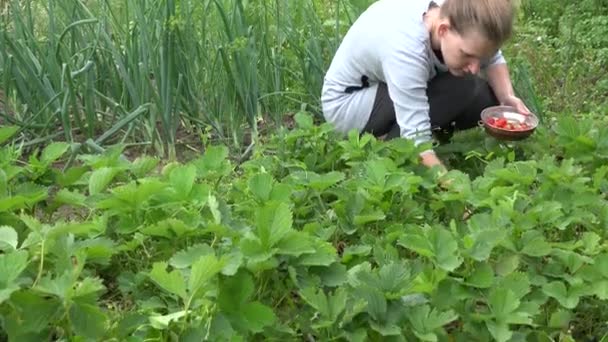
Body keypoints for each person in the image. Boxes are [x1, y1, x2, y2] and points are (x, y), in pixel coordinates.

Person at [321, 0, 531, 175]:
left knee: (485, 97)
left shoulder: (456, 13)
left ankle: (398, 134)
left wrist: (507, 97)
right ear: (443, 30)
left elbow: (493, 56)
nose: (476, 67)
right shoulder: (406, 49)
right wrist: (457, 193)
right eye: (466, 54)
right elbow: (417, 138)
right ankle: (388, 148)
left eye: (480, 57)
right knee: (463, 87)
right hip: (349, 104)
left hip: (388, 86)